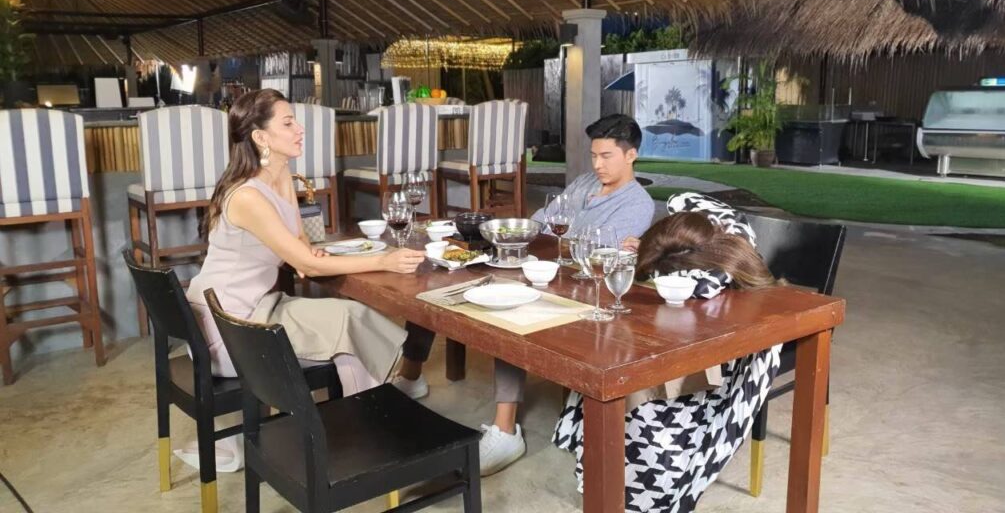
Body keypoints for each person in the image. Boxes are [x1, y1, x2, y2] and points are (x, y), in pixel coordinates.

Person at [393, 114, 655, 476]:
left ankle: (505, 431)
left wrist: (557, 236)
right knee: (441, 280)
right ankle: (410, 376)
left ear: (631, 155)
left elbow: (597, 252)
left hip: (581, 289)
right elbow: (542, 218)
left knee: (510, 309)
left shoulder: (638, 204)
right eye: (594, 155)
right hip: (543, 269)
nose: (597, 164)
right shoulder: (584, 183)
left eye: (606, 156)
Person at [179, 89, 425, 472]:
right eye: (288, 122)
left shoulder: (282, 179)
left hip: (258, 309)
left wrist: (311, 256)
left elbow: (303, 255)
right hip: (230, 327)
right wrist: (384, 261)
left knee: (348, 322)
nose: (300, 129)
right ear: (260, 136)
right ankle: (373, 430)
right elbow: (303, 261)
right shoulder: (246, 196)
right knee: (348, 323)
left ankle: (365, 432)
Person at [553, 192, 782, 513]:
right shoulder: (725, 238)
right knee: (618, 359)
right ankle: (609, 477)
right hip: (693, 333)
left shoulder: (710, 276)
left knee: (630, 381)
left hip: (723, 357)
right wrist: (648, 245)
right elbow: (682, 199)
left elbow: (701, 285)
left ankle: (635, 488)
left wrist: (651, 255)